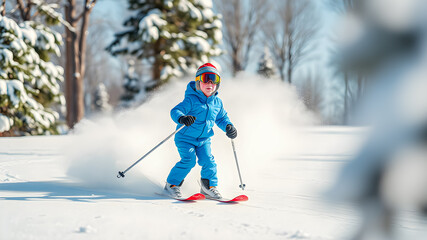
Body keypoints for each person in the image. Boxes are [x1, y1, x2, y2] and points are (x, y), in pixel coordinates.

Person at [164, 63, 237, 199]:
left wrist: (228, 127)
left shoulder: (217, 103)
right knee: (189, 160)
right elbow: (175, 111)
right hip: (185, 138)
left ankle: (208, 187)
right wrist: (182, 118)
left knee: (209, 161)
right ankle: (172, 185)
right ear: (198, 82)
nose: (210, 82)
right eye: (206, 78)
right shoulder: (191, 99)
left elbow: (221, 118)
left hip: (204, 140)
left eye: (214, 79)